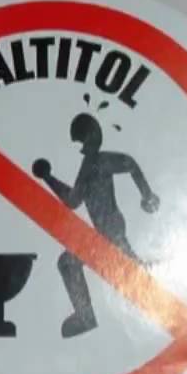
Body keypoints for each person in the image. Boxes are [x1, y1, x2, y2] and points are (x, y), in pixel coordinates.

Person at [32, 111, 159, 338]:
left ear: (89, 138)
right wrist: (48, 178)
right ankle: (90, 314)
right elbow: (73, 200)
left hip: (110, 229)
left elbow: (129, 164)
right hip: (107, 230)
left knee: (70, 263)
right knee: (82, 263)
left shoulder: (98, 161)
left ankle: (86, 317)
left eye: (81, 141)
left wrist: (147, 195)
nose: (81, 147)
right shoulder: (90, 163)